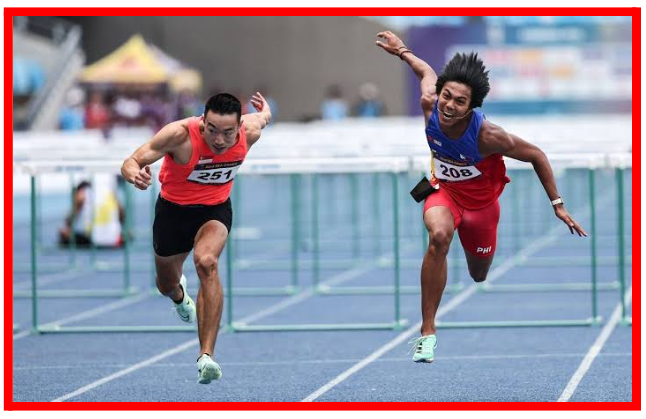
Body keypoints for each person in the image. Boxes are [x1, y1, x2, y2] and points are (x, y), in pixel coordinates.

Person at [375, 31, 587, 363]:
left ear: (472, 106)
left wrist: (557, 205)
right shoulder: (431, 102)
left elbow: (536, 155)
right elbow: (425, 71)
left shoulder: (489, 136)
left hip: (482, 207)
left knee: (478, 274)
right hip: (442, 191)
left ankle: (473, 259)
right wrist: (401, 50)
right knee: (439, 236)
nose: (449, 105)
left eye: (460, 102)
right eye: (447, 96)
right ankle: (427, 333)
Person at [120, 92, 271, 384]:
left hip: (214, 211)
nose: (219, 140)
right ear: (202, 122)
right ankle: (179, 296)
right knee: (165, 284)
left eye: (228, 133)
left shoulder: (250, 131)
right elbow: (133, 159)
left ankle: (206, 356)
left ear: (239, 127)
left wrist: (264, 111)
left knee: (207, 262)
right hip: (173, 213)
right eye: (212, 130)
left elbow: (263, 117)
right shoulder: (179, 135)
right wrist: (134, 174)